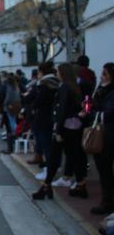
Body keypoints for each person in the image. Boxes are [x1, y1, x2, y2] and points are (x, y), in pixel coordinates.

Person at [33, 63, 87, 200]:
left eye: (58, 71)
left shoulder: (64, 88)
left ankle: (46, 186)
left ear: (63, 73)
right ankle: (80, 184)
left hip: (64, 128)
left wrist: (57, 131)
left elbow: (61, 110)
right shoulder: (74, 87)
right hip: (73, 126)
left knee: (55, 157)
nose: (56, 73)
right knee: (72, 156)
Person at [86, 63, 114, 214]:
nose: (102, 77)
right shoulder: (101, 90)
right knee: (104, 170)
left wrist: (91, 114)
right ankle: (107, 199)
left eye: (104, 74)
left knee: (106, 170)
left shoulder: (110, 92)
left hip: (108, 135)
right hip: (103, 134)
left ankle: (107, 202)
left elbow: (107, 114)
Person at [29, 62, 60, 177]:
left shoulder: (44, 85)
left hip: (44, 118)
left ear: (41, 72)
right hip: (51, 117)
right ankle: (48, 167)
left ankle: (48, 171)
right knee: (48, 145)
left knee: (46, 145)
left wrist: (33, 105)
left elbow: (39, 101)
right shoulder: (56, 83)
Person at [2, 75, 21, 154]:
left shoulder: (9, 87)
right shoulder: (16, 87)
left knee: (12, 121)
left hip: (10, 106)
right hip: (16, 105)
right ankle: (17, 133)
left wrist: (5, 103)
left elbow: (8, 97)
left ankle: (16, 134)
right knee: (14, 120)